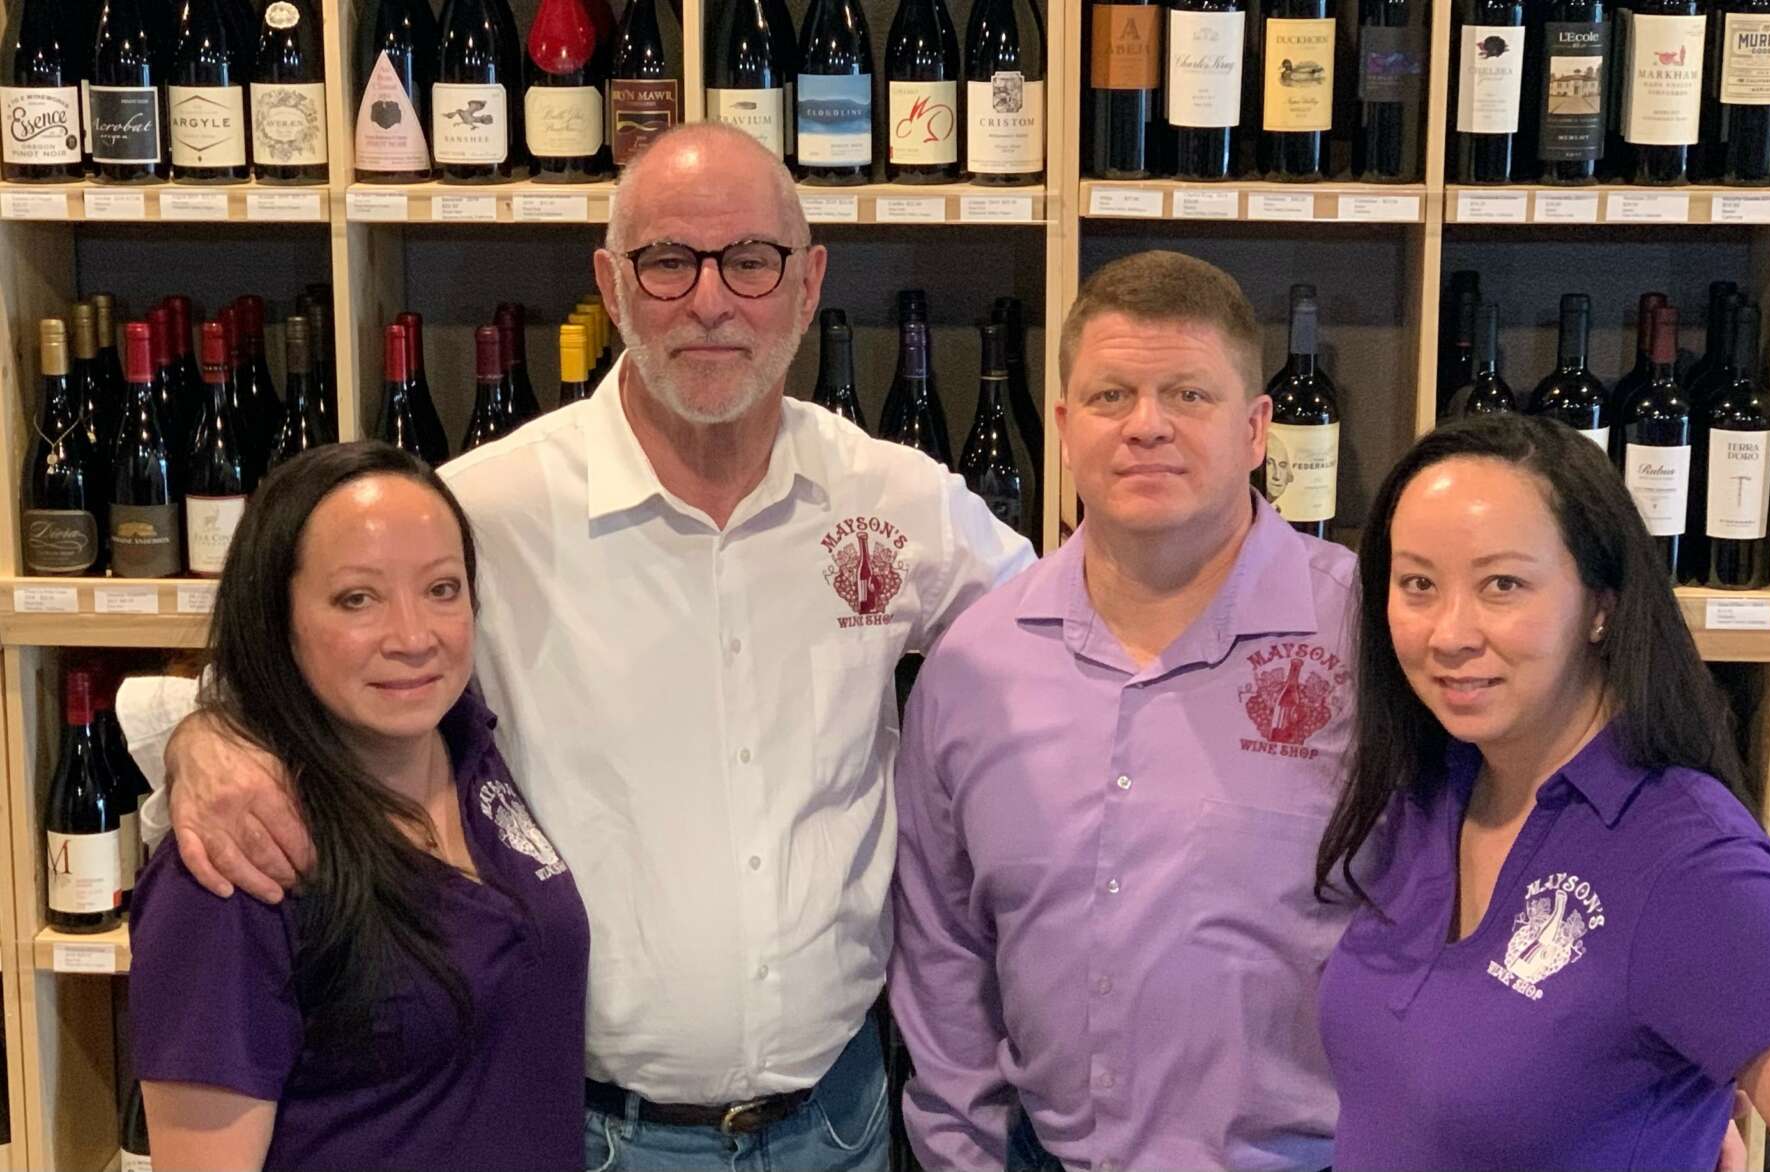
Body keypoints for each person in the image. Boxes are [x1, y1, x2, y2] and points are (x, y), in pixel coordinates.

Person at [118, 122, 1033, 1171]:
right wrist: (204, 740)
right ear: (610, 283)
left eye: (750, 259)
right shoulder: (491, 508)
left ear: (808, 281)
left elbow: (1064, 633)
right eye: (667, 261)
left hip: (842, 1121)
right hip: (597, 1135)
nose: (710, 300)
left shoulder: (892, 497)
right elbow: (288, 661)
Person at [1313, 414, 1770, 1169]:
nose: (1449, 633)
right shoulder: (1433, 785)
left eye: (1503, 585)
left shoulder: (1689, 861)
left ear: (1601, 604)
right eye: (1418, 585)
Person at [887, 250, 1356, 1170]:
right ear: (1065, 427)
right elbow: (943, 959)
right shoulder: (974, 665)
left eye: (1189, 395)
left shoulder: (1366, 641)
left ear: (1256, 430)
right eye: (1112, 397)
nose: (1147, 425)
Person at [130, 442, 590, 1170]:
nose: (413, 637)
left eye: (442, 589)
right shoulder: (236, 863)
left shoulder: (469, 744)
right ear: (276, 617)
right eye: (357, 599)